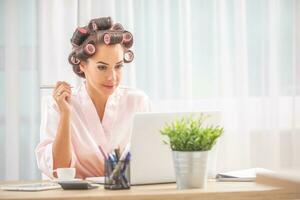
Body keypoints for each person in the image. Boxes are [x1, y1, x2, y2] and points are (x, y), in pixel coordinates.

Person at [35, 17, 151, 179]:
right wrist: (66, 115)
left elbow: (148, 162)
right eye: (102, 67)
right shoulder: (57, 105)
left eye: (118, 66)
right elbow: (58, 170)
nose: (112, 77)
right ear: (82, 65)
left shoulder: (137, 101)